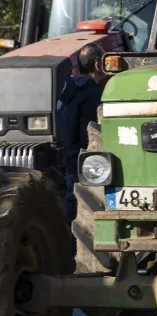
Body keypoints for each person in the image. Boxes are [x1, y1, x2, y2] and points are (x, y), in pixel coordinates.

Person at [57, 43, 107, 225]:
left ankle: (69, 246)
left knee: (72, 201)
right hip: (87, 162)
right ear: (97, 65)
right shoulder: (95, 95)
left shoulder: (66, 90)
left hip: (69, 158)